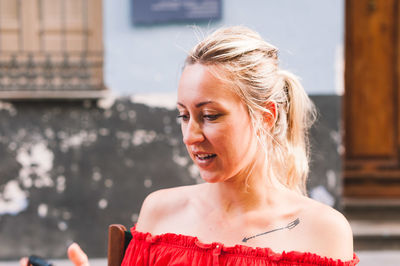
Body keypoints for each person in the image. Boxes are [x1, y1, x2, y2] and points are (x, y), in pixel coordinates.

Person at [22, 26, 359, 266]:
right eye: (184, 116)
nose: (190, 135)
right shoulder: (160, 212)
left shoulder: (322, 232)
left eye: (210, 115)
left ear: (266, 116)